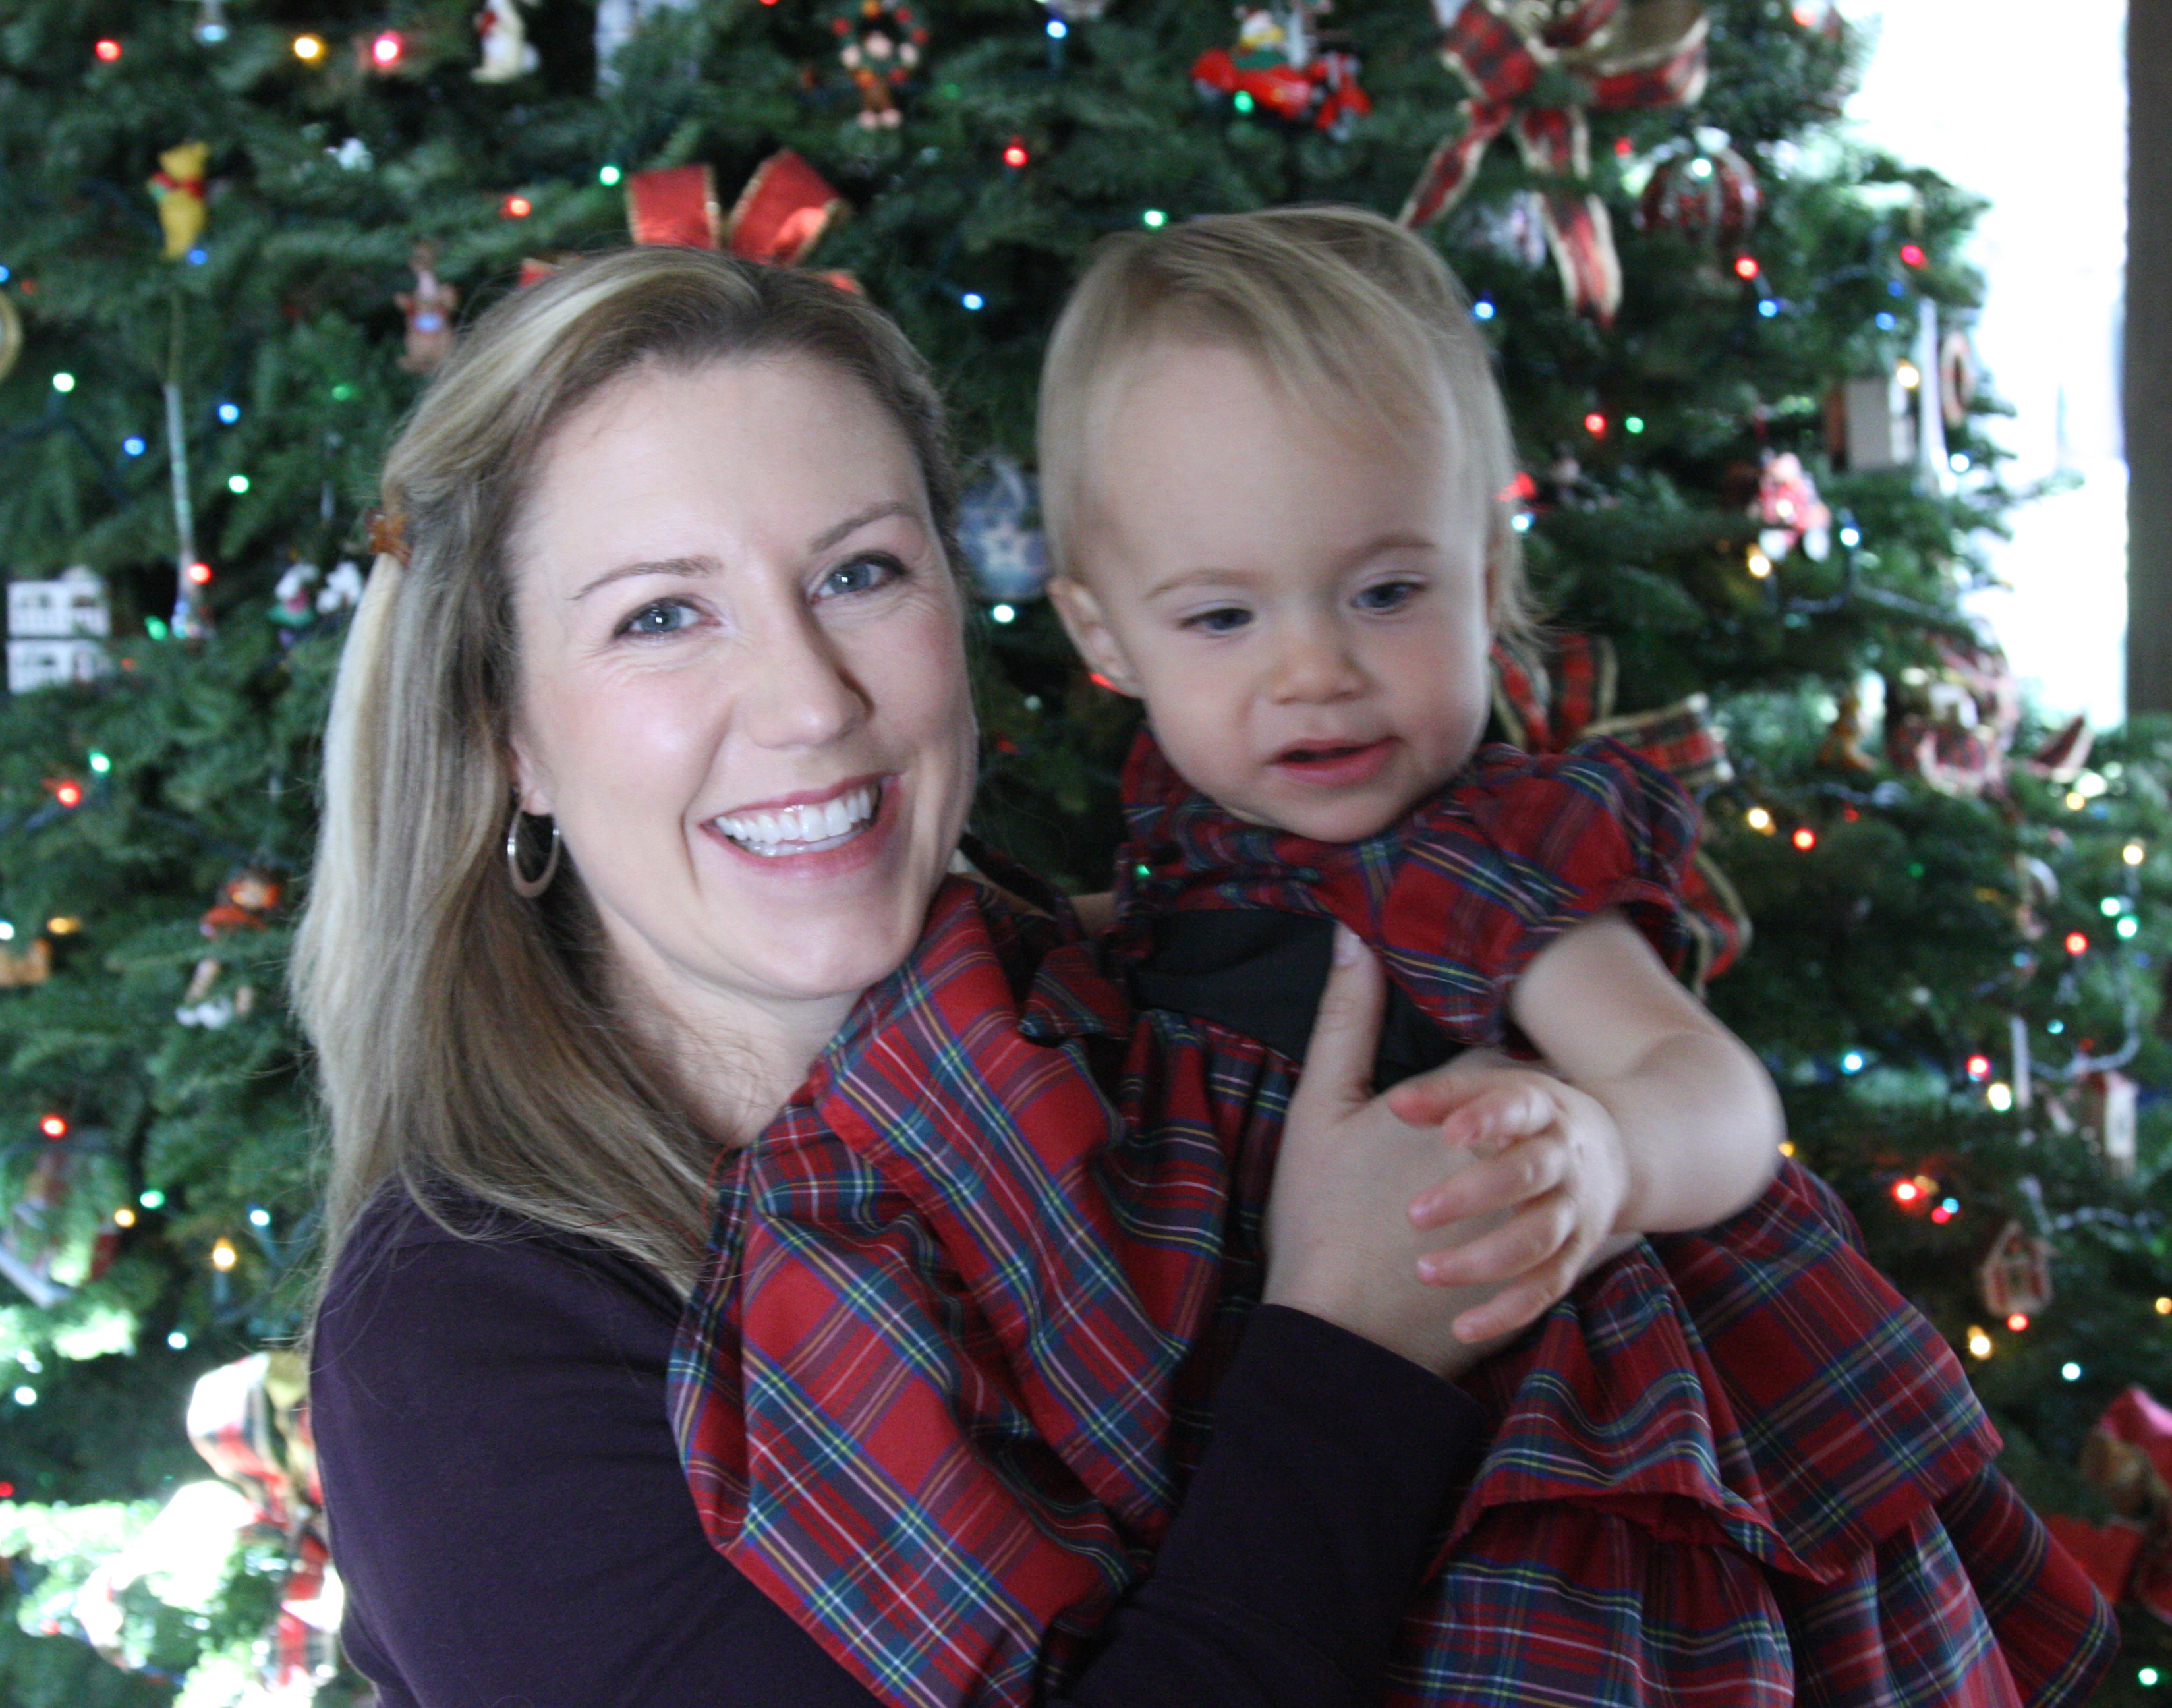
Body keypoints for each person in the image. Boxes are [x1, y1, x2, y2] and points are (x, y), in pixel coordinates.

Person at [678, 206, 2118, 1708]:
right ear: (1103, 635)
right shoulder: (1185, 845)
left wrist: (1610, 1156)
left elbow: (1717, 1096)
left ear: (1487, 571)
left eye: (1386, 593)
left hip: (1552, 1432)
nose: (1316, 671)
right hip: (1304, 1400)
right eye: (1223, 616)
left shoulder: (1473, 859)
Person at [298, 243, 1529, 1708]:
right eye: (661, 616)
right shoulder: (461, 1340)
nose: (812, 701)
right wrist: (1356, 1352)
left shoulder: (1185, 1019)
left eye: (859, 573)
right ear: (508, 735)